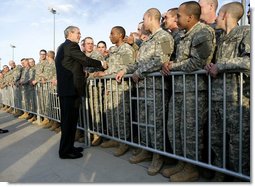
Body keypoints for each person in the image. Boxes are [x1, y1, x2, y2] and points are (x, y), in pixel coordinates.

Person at [161, 1, 215, 182]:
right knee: (175, 129)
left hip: (194, 91)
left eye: (179, 16)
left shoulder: (203, 32)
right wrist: (171, 64)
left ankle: (191, 168)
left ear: (190, 17)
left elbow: (197, 62)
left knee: (190, 131)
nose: (177, 18)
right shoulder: (184, 35)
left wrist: (173, 66)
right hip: (179, 89)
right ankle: (182, 163)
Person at [116, 8, 174, 176]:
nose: (143, 22)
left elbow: (161, 60)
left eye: (144, 19)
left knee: (155, 124)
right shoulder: (147, 41)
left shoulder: (164, 37)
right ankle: (145, 150)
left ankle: (158, 157)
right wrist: (125, 69)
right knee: (143, 123)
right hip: (142, 88)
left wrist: (139, 73)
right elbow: (137, 63)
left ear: (149, 18)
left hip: (156, 88)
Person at [204, 2, 250, 181]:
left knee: (238, 144)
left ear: (224, 15)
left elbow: (249, 62)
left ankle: (240, 178)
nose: (215, 18)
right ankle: (220, 175)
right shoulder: (221, 38)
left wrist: (220, 66)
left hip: (236, 101)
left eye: (218, 14)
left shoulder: (246, 32)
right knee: (217, 140)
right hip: (217, 99)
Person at [55, 25, 107, 159]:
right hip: (70, 90)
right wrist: (101, 63)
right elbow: (84, 60)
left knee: (71, 122)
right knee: (68, 122)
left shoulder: (63, 47)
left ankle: (69, 147)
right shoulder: (71, 46)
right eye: (78, 33)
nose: (80, 35)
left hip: (68, 90)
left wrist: (80, 72)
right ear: (70, 34)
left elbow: (73, 65)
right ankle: (65, 151)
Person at [94, 26, 135, 157]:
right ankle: (114, 138)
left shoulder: (127, 49)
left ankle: (124, 142)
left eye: (112, 34)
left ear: (120, 35)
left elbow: (127, 67)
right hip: (110, 87)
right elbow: (110, 65)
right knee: (111, 115)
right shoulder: (112, 50)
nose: (110, 36)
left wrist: (105, 73)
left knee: (121, 115)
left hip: (121, 88)